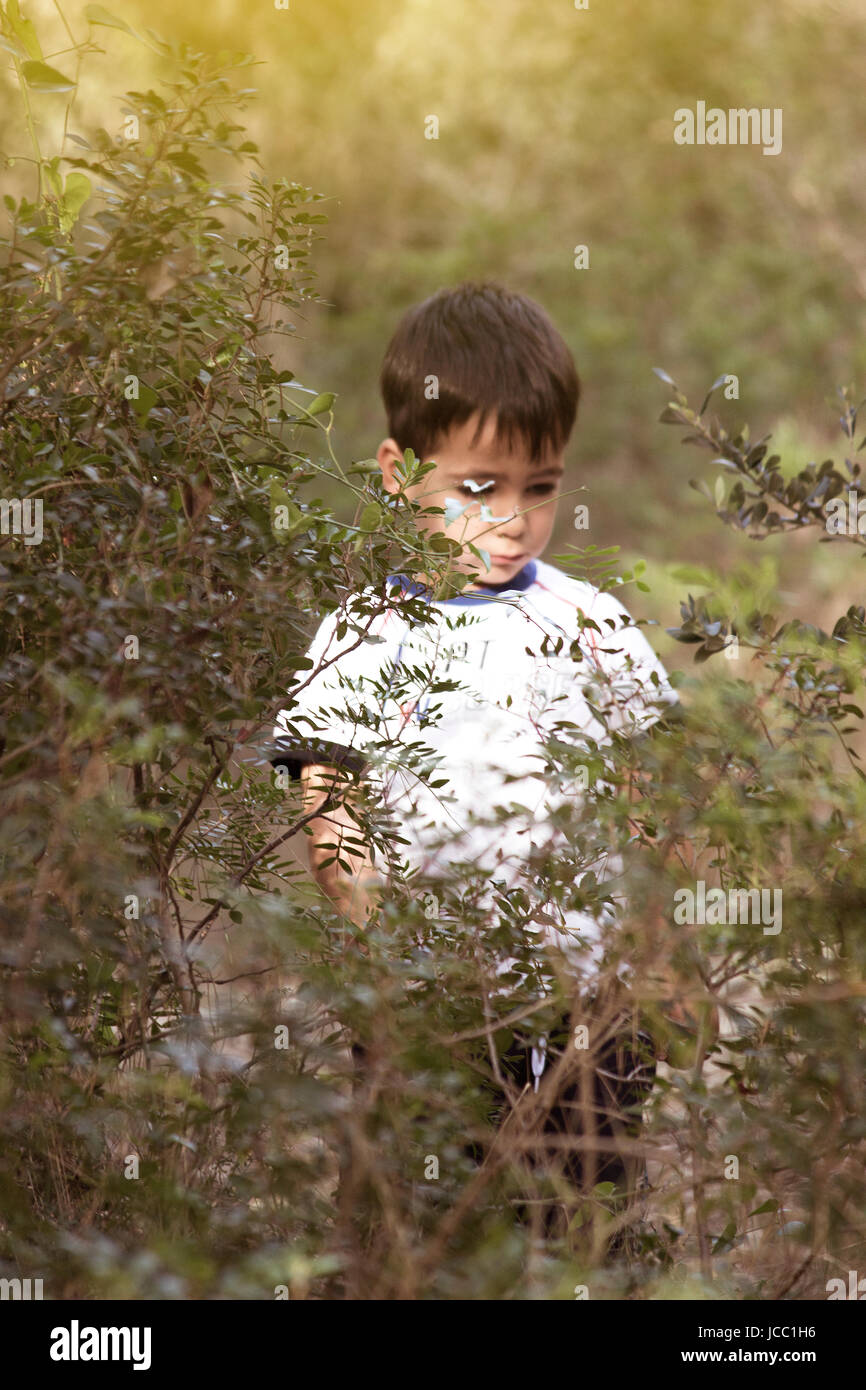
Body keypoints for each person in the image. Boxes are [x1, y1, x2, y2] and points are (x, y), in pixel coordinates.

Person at [270, 281, 695, 1241]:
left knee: (581, 1226)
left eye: (538, 488)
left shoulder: (590, 624)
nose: (512, 519)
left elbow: (649, 800)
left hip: (588, 1010)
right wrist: (386, 952)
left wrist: (651, 958)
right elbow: (328, 802)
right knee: (415, 1229)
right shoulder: (362, 635)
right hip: (426, 1007)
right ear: (397, 472)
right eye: (478, 488)